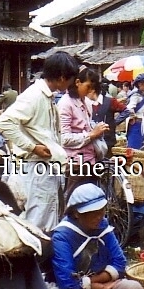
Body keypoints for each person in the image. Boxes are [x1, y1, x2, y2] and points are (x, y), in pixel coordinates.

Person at [0, 51, 78, 231]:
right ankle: (36, 257)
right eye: (71, 79)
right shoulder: (34, 96)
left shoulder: (47, 96)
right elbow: (3, 122)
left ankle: (43, 257)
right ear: (63, 77)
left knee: (47, 220)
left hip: (44, 168)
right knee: (37, 224)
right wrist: (32, 147)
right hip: (34, 168)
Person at [52, 183, 144, 289]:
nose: (99, 216)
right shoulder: (62, 235)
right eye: (92, 212)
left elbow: (120, 263)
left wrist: (98, 281)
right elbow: (67, 282)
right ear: (76, 213)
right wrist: (99, 287)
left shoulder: (102, 226)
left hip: (98, 287)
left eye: (101, 210)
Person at [58, 67, 109, 198]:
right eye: (88, 87)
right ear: (78, 82)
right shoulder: (65, 103)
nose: (90, 91)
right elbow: (64, 138)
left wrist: (96, 129)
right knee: (74, 201)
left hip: (90, 160)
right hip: (75, 163)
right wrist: (92, 134)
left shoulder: (85, 101)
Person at [86, 80, 130, 154]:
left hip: (108, 140)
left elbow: (126, 111)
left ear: (92, 91)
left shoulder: (110, 101)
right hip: (92, 140)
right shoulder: (86, 103)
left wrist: (114, 122)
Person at [126, 73, 144, 149]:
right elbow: (129, 108)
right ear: (140, 84)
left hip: (143, 124)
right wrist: (133, 116)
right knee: (135, 148)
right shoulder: (135, 95)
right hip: (137, 125)